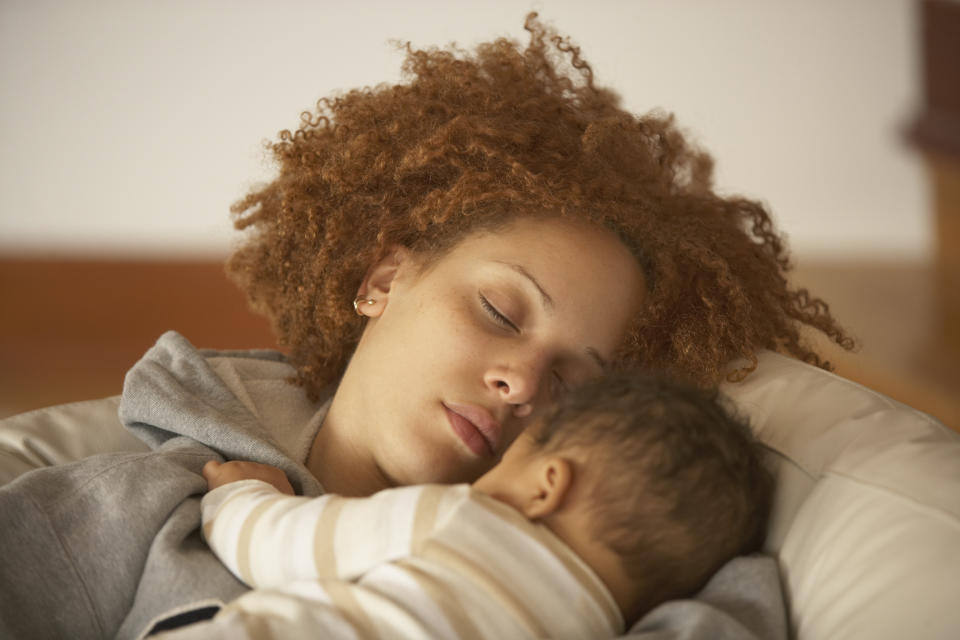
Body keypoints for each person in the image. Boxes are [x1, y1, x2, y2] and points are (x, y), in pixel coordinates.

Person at [0, 12, 845, 640]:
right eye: (499, 310)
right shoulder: (143, 511)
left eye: (572, 384)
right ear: (384, 278)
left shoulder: (638, 582)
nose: (522, 383)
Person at [157, 372, 772, 639]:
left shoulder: (459, 518)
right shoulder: (600, 629)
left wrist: (239, 493)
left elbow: (279, 546)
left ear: (546, 483)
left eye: (515, 455)